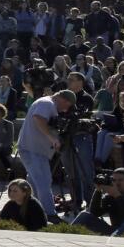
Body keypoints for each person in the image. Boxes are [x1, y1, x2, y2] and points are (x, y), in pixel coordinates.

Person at [17, 89, 77, 220]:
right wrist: (52, 138)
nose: (66, 110)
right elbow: (38, 118)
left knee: (33, 184)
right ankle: (50, 214)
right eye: (67, 105)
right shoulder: (47, 103)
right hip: (32, 150)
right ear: (63, 99)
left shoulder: (47, 104)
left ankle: (30, 211)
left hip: (36, 150)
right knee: (44, 181)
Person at [72, 167, 124, 236]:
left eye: (120, 180)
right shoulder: (111, 196)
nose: (117, 183)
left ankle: (114, 240)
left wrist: (117, 196)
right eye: (114, 180)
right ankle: (66, 236)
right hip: (115, 231)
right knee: (84, 215)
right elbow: (94, 212)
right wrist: (98, 190)